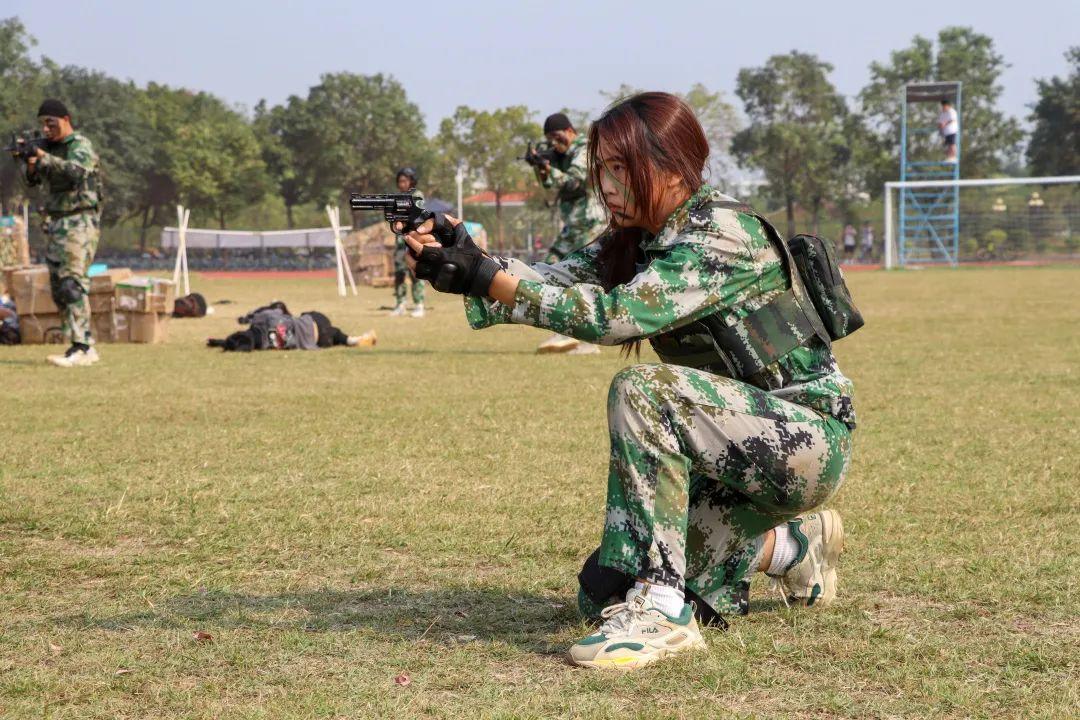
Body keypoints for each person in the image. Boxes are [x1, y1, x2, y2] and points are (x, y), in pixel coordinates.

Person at [404, 92, 855, 670]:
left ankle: (663, 612)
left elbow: (611, 317)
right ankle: (793, 548)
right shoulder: (637, 238)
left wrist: (489, 279)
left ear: (672, 167)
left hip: (804, 441)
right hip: (726, 446)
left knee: (644, 391)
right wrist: (464, 262)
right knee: (601, 589)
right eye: (603, 172)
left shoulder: (721, 235)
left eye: (622, 170)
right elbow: (552, 280)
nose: (608, 188)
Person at [12, 99, 101, 367]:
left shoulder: (79, 146)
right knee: (58, 287)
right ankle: (78, 342)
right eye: (43, 124)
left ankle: (82, 347)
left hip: (80, 221)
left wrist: (42, 156)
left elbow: (74, 173)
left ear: (66, 119)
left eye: (51, 123)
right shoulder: (48, 148)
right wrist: (28, 160)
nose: (46, 128)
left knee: (72, 283)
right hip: (57, 222)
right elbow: (32, 182)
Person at [528, 112, 606, 355]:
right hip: (573, 225)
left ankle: (588, 341)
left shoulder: (584, 149)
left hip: (591, 223)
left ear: (570, 130)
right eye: (549, 138)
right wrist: (541, 169)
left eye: (556, 136)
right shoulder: (561, 155)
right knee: (550, 268)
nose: (553, 142)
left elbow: (575, 181)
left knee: (581, 278)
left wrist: (548, 168)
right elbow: (550, 185)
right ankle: (564, 332)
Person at [207, 301, 375, 352]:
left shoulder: (263, 346)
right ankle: (352, 340)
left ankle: (351, 340)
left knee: (333, 334)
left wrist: (220, 343)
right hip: (314, 324)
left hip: (318, 341)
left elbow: (239, 342)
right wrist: (248, 317)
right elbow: (276, 308)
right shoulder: (263, 318)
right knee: (310, 315)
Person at [390, 168, 426, 318]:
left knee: (415, 272)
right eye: (400, 181)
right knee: (399, 273)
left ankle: (419, 305)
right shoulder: (397, 197)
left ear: (411, 181)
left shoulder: (416, 195)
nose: (402, 184)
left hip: (413, 240)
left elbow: (418, 214)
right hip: (400, 242)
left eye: (405, 180)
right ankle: (400, 304)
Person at [938, 99, 959, 164]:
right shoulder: (942, 113)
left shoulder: (952, 111)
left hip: (952, 131)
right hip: (946, 132)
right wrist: (940, 129)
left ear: (947, 105)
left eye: (944, 106)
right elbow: (940, 122)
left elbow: (952, 120)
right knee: (948, 145)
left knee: (952, 144)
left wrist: (945, 124)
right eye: (942, 106)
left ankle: (954, 157)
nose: (943, 107)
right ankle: (950, 157)